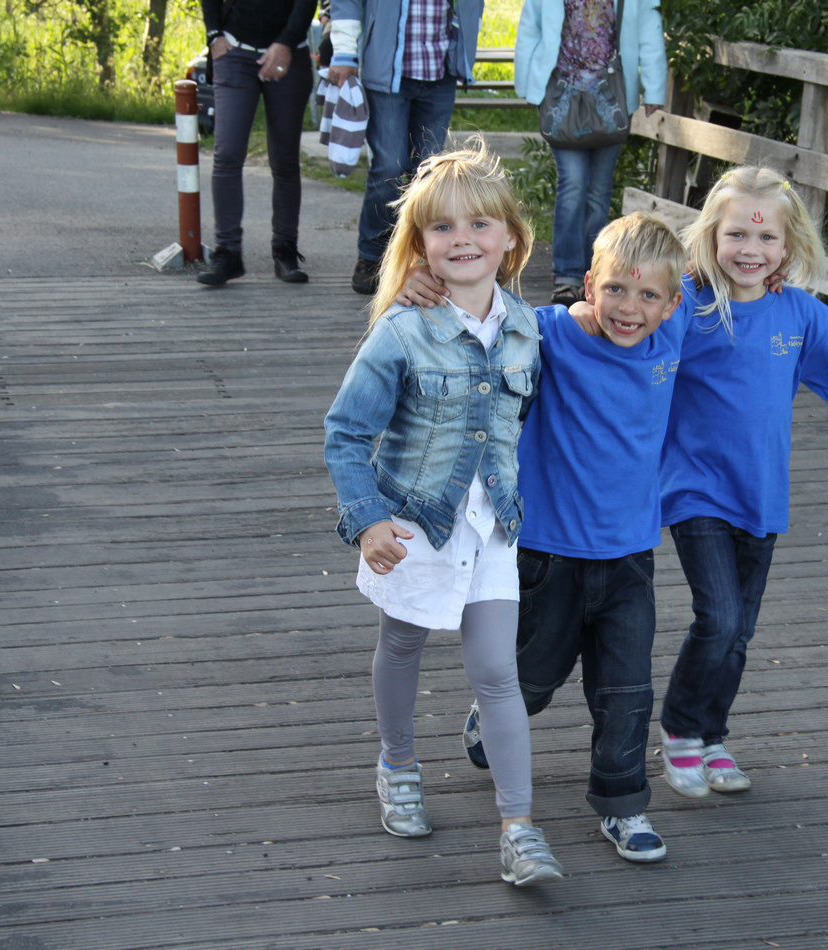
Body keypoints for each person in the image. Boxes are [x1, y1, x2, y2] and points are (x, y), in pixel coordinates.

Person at [322, 139, 563, 887]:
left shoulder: (527, 327)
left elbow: (597, 333)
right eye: (442, 227)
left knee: (496, 670)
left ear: (511, 238)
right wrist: (367, 521)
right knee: (402, 641)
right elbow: (345, 433)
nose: (463, 239)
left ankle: (518, 828)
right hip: (413, 523)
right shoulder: (401, 331)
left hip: (492, 528)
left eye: (480, 224)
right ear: (420, 243)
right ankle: (397, 763)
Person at [655, 167, 828, 799]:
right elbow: (624, 321)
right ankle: (679, 729)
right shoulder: (688, 304)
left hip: (761, 494)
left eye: (766, 238)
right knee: (719, 617)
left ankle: (712, 734)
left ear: (787, 246)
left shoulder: (800, 313)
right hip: (696, 488)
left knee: (740, 630)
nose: (750, 250)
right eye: (736, 234)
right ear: (711, 234)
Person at [413, 214, 686, 862]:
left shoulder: (674, 334)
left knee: (626, 692)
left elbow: (727, 273)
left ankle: (623, 806)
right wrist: (421, 283)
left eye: (648, 295)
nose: (630, 308)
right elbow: (478, 312)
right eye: (615, 289)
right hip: (545, 555)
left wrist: (764, 270)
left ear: (672, 304)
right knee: (531, 681)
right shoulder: (549, 331)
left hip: (629, 558)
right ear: (589, 285)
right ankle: (490, 714)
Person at [513, 0, 666, 305]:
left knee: (599, 191)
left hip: (612, 98)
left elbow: (649, 30)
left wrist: (654, 87)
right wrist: (527, 82)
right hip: (561, 98)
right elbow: (530, 27)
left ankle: (595, 272)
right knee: (573, 184)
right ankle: (568, 277)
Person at [328, 0, 486, 294]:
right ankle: (372, 256)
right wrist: (345, 52)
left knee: (429, 174)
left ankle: (427, 259)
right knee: (388, 166)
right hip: (387, 70)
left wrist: (464, 49)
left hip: (440, 70)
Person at [199, 0, 316, 286]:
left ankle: (285, 249)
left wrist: (286, 43)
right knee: (227, 154)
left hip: (289, 52)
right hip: (235, 51)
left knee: (285, 159)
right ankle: (228, 252)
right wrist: (214, 36)